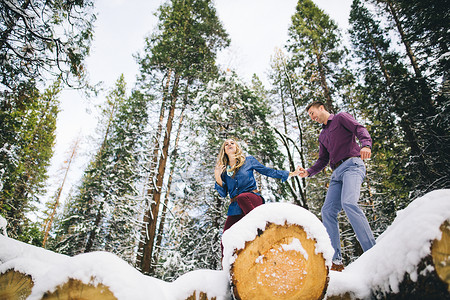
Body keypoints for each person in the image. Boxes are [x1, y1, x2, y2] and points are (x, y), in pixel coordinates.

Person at [298, 101, 376, 272]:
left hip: (352, 165)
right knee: (327, 211)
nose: (312, 117)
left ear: (321, 108)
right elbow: (322, 160)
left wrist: (366, 144)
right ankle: (336, 261)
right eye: (310, 115)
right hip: (336, 174)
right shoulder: (322, 135)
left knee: (349, 203)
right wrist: (308, 172)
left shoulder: (340, 118)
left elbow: (359, 128)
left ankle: (372, 250)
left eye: (313, 112)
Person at [214, 138, 301, 234]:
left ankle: (261, 228)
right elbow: (223, 194)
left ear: (237, 147)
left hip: (251, 199)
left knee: (242, 197)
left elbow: (268, 171)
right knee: (226, 238)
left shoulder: (249, 161)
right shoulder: (223, 170)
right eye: (226, 144)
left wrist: (291, 173)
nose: (229, 144)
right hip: (235, 207)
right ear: (224, 150)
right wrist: (217, 176)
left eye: (232, 143)